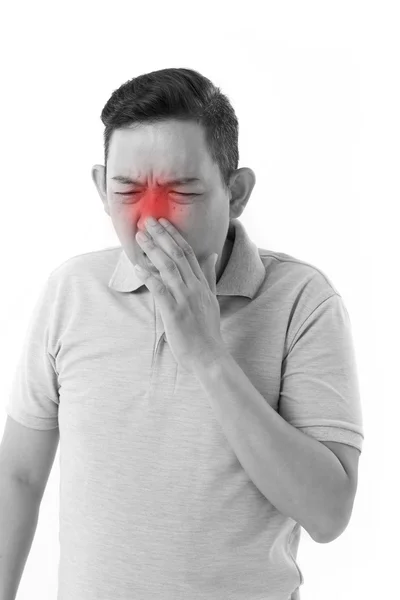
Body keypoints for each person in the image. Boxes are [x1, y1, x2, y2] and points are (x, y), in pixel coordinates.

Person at [1, 67, 364, 600]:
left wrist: (209, 355)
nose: (150, 221)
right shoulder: (70, 291)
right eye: (127, 190)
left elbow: (329, 513)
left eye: (182, 191)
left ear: (236, 193)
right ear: (102, 189)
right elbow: (18, 477)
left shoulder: (304, 303)